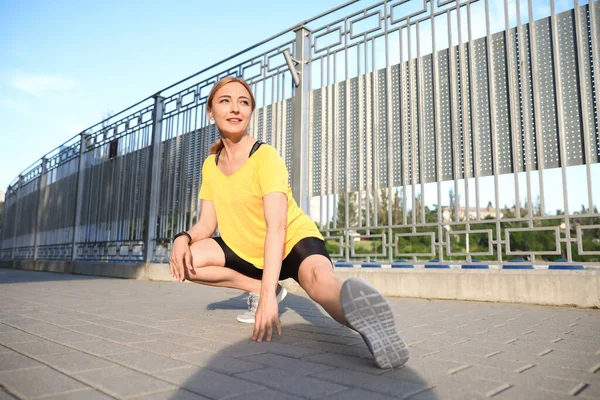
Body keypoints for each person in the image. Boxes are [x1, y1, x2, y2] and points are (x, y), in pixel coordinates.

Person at [169, 76, 409, 369]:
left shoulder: (265, 157)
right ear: (211, 112)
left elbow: (277, 227)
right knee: (188, 259)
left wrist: (269, 298)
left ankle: (368, 327)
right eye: (225, 101)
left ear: (249, 112)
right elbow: (206, 223)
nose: (235, 108)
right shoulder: (211, 164)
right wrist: (182, 238)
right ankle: (259, 285)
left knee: (320, 283)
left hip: (291, 239)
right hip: (246, 250)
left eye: (243, 102)